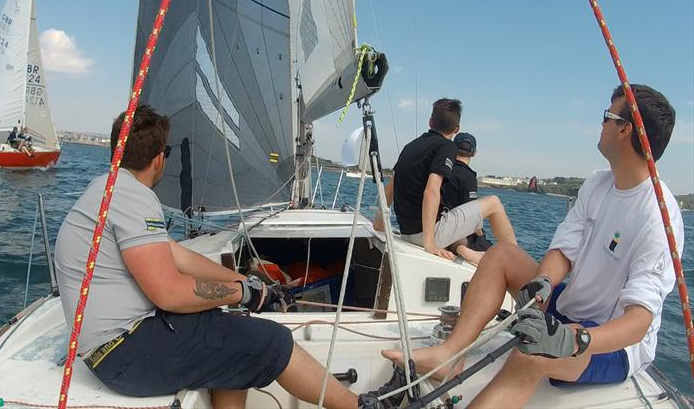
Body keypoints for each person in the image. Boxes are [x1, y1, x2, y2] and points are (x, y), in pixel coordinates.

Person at [378, 84, 683, 408]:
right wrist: (543, 283)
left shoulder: (658, 216)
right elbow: (563, 251)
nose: (601, 123)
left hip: (608, 342)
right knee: (501, 255)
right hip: (568, 308)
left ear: (624, 129)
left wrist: (575, 339)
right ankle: (450, 355)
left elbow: (639, 321)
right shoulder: (597, 183)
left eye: (606, 116)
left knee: (534, 352)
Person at [54, 105, 360, 409]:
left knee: (232, 337)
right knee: (274, 341)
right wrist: (243, 294)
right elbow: (169, 294)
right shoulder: (134, 196)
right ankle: (360, 407)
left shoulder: (104, 190)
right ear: (159, 158)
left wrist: (244, 281)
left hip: (112, 351)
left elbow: (178, 256)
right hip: (126, 353)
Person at [373, 99, 516, 260]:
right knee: (494, 203)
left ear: (430, 122)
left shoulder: (410, 146)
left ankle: (469, 253)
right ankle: (513, 260)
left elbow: (390, 189)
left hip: (407, 232)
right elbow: (431, 191)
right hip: (427, 235)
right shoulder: (447, 147)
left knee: (460, 234)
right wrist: (430, 244)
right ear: (456, 129)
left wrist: (378, 225)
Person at [440, 132, 512, 265]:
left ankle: (458, 247)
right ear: (474, 153)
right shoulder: (468, 177)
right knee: (489, 247)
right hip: (456, 231)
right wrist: (480, 233)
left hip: (440, 225)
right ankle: (514, 257)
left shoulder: (443, 170)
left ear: (454, 148)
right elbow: (470, 211)